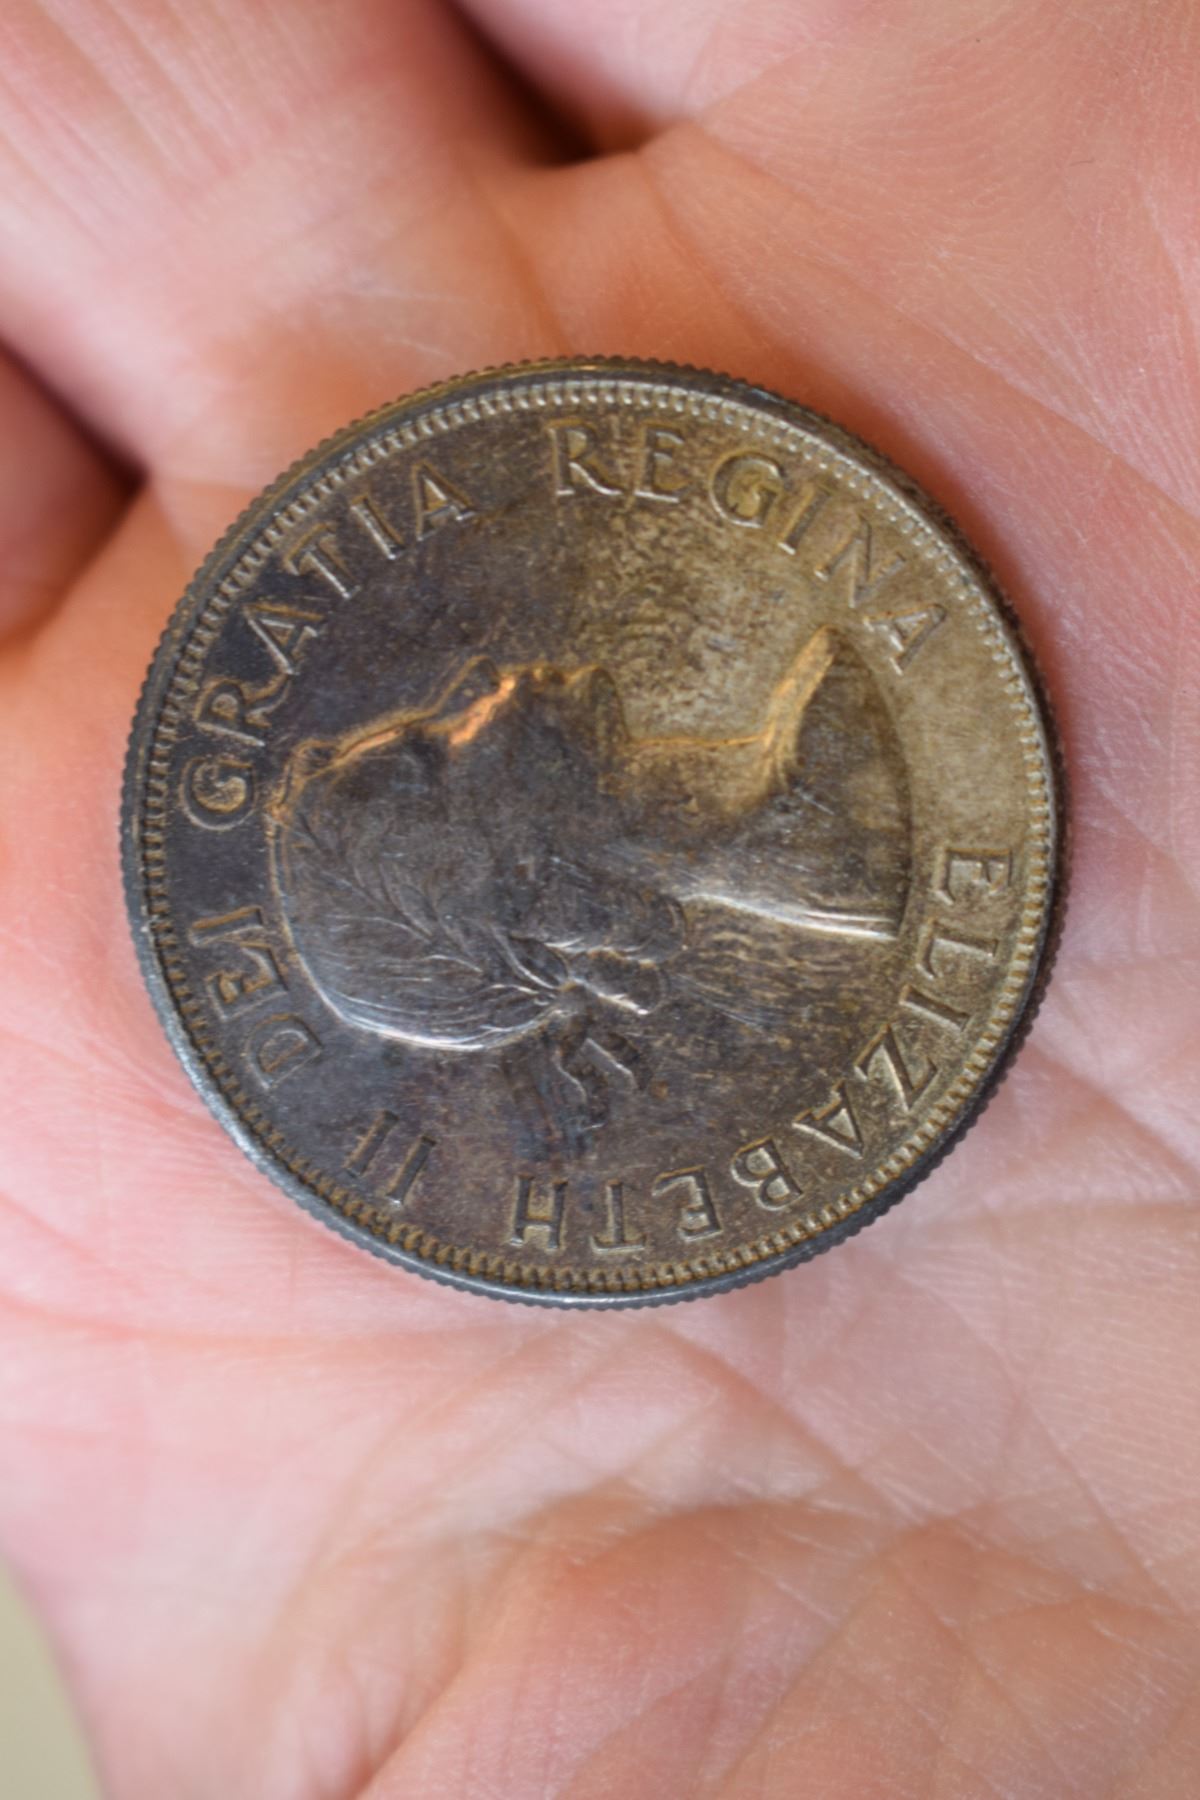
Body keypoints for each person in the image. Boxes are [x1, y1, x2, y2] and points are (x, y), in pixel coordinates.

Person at [0, 2, 1195, 1794]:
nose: (489, 688)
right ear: (504, 884)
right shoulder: (867, 824)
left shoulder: (858, 774)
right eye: (439, 753)